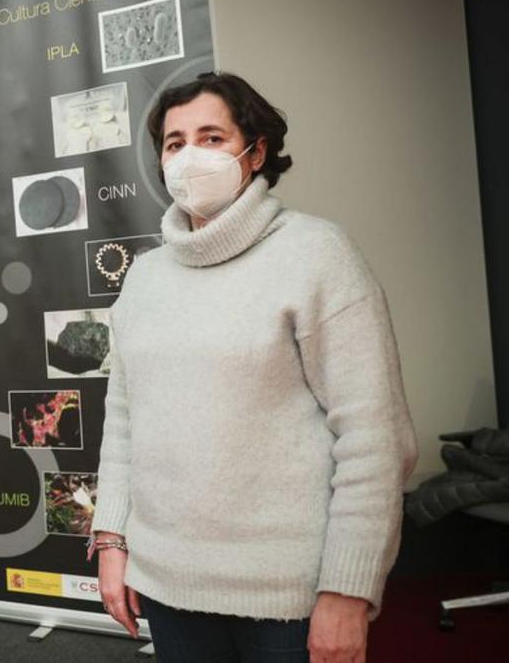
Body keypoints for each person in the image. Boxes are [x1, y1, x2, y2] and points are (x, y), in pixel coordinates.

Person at [91, 72, 418, 662]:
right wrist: (113, 540)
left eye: (212, 137)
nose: (190, 155)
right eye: (174, 142)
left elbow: (375, 436)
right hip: (168, 587)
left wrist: (348, 589)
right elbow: (123, 421)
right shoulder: (143, 279)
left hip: (287, 600)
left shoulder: (317, 255)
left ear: (256, 150)